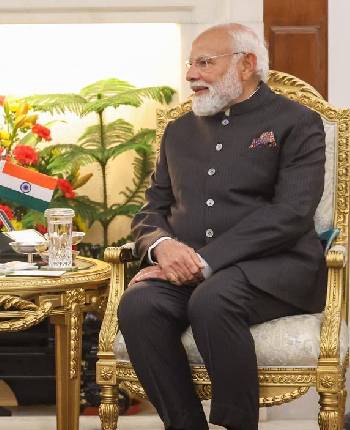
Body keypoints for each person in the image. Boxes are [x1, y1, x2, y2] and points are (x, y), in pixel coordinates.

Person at [117, 23, 326, 430]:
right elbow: (151, 209)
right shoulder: (178, 130)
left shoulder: (297, 122)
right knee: (139, 305)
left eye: (204, 63)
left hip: (274, 269)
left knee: (213, 299)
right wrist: (162, 246)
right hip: (187, 270)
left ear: (246, 65)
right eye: (190, 64)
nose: (191, 74)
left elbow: (292, 212)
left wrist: (202, 260)